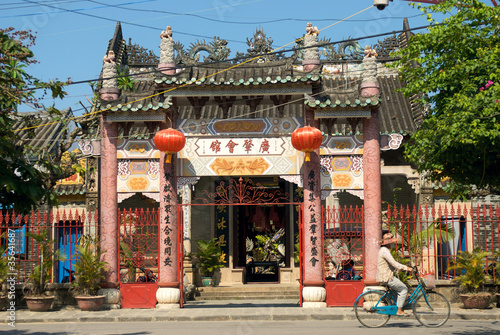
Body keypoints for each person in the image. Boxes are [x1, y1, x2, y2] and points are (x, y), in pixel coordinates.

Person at [376, 233, 413, 317]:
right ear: (388, 243)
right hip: (386, 277)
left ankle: (396, 307)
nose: (393, 244)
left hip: (385, 275)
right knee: (403, 289)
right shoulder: (385, 250)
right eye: (392, 242)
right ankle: (399, 310)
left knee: (397, 290)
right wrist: (406, 268)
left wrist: (400, 269)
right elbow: (393, 263)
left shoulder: (383, 250)